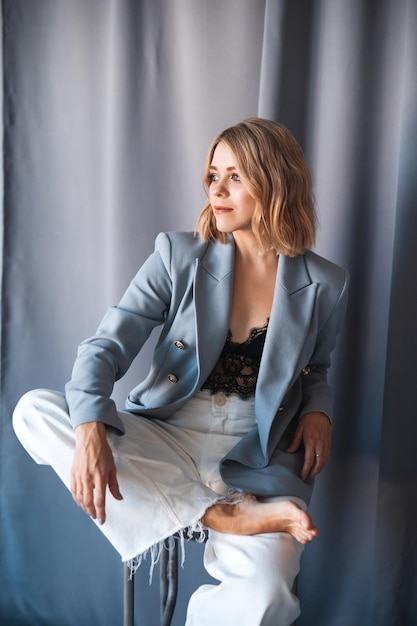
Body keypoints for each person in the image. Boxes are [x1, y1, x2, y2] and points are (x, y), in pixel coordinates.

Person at [13, 117, 349, 625]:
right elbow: (105, 345)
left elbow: (314, 368)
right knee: (32, 410)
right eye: (213, 175)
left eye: (235, 176)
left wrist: (319, 410)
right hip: (165, 440)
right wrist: (87, 427)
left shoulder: (325, 283)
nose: (217, 189)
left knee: (267, 591)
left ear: (275, 179)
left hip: (254, 453)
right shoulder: (177, 256)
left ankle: (224, 509)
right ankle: (218, 515)